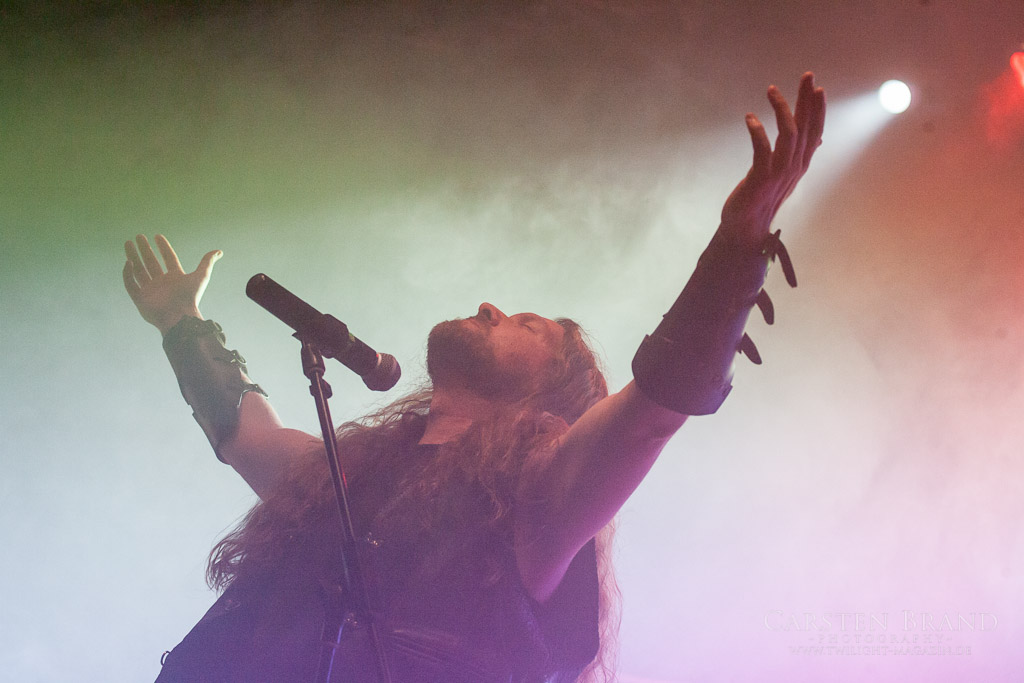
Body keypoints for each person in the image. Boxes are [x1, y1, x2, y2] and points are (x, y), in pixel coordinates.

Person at [124, 73, 825, 682]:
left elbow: (651, 412)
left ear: (551, 394)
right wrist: (181, 322)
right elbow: (244, 431)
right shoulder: (345, 473)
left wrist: (739, 246)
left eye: (528, 324)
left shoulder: (539, 495)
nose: (491, 307)